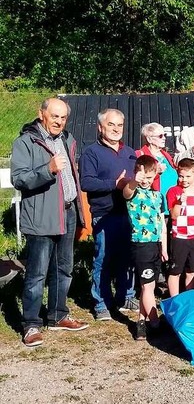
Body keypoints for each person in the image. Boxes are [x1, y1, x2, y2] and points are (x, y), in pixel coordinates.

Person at [11, 97, 89, 347]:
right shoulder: (26, 142)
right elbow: (19, 179)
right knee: (37, 274)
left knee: (63, 269)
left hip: (67, 212)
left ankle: (58, 315)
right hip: (41, 215)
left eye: (63, 117)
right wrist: (49, 169)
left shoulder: (67, 139)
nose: (59, 121)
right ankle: (31, 324)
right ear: (42, 114)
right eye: (54, 116)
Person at [80, 108, 138, 321]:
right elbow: (86, 182)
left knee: (127, 259)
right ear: (100, 127)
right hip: (105, 214)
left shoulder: (130, 152)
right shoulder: (91, 152)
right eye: (111, 125)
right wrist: (114, 184)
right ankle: (102, 303)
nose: (116, 129)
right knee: (103, 259)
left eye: (119, 125)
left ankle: (126, 296)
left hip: (129, 214)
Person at [123, 156, 168, 340]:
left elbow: (161, 223)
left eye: (150, 178)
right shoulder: (134, 192)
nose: (146, 182)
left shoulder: (157, 195)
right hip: (141, 245)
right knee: (147, 287)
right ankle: (155, 322)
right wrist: (135, 180)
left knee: (148, 286)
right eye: (144, 177)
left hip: (156, 245)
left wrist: (164, 248)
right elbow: (127, 192)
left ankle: (141, 322)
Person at [166, 158, 194, 296]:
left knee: (192, 271)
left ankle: (189, 299)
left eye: (188, 176)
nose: (184, 179)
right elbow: (174, 216)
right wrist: (178, 202)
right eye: (181, 176)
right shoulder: (173, 192)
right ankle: (175, 300)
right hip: (179, 237)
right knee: (175, 271)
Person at [137, 122, 178, 215]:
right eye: (160, 136)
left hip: (174, 206)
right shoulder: (140, 155)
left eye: (165, 135)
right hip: (156, 207)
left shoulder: (166, 155)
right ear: (149, 139)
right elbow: (139, 179)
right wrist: (156, 172)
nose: (164, 138)